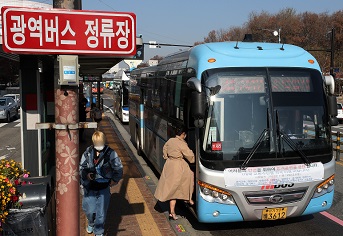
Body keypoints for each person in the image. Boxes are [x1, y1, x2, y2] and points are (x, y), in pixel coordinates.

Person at [80, 131, 123, 236]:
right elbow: (82, 167)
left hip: (104, 186)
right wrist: (86, 175)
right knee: (89, 209)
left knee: (101, 212)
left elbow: (119, 168)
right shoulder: (88, 152)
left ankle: (99, 232)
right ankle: (91, 222)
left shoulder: (111, 153)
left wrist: (114, 180)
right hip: (90, 186)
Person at [154, 126, 195, 220]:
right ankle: (188, 198)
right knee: (189, 178)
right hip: (178, 166)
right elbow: (190, 157)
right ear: (183, 134)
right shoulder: (181, 143)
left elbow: (164, 149)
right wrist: (193, 157)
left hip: (169, 165)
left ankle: (172, 212)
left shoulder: (170, 140)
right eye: (185, 135)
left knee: (173, 189)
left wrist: (167, 157)